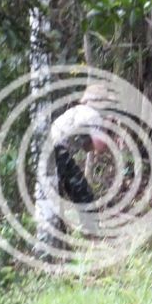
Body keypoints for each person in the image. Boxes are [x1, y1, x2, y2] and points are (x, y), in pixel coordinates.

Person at [46, 85, 111, 235]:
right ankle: (92, 232)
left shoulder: (78, 111)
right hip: (57, 151)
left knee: (59, 194)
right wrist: (107, 123)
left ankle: (61, 233)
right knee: (83, 193)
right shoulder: (93, 115)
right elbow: (100, 147)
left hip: (50, 150)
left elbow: (87, 147)